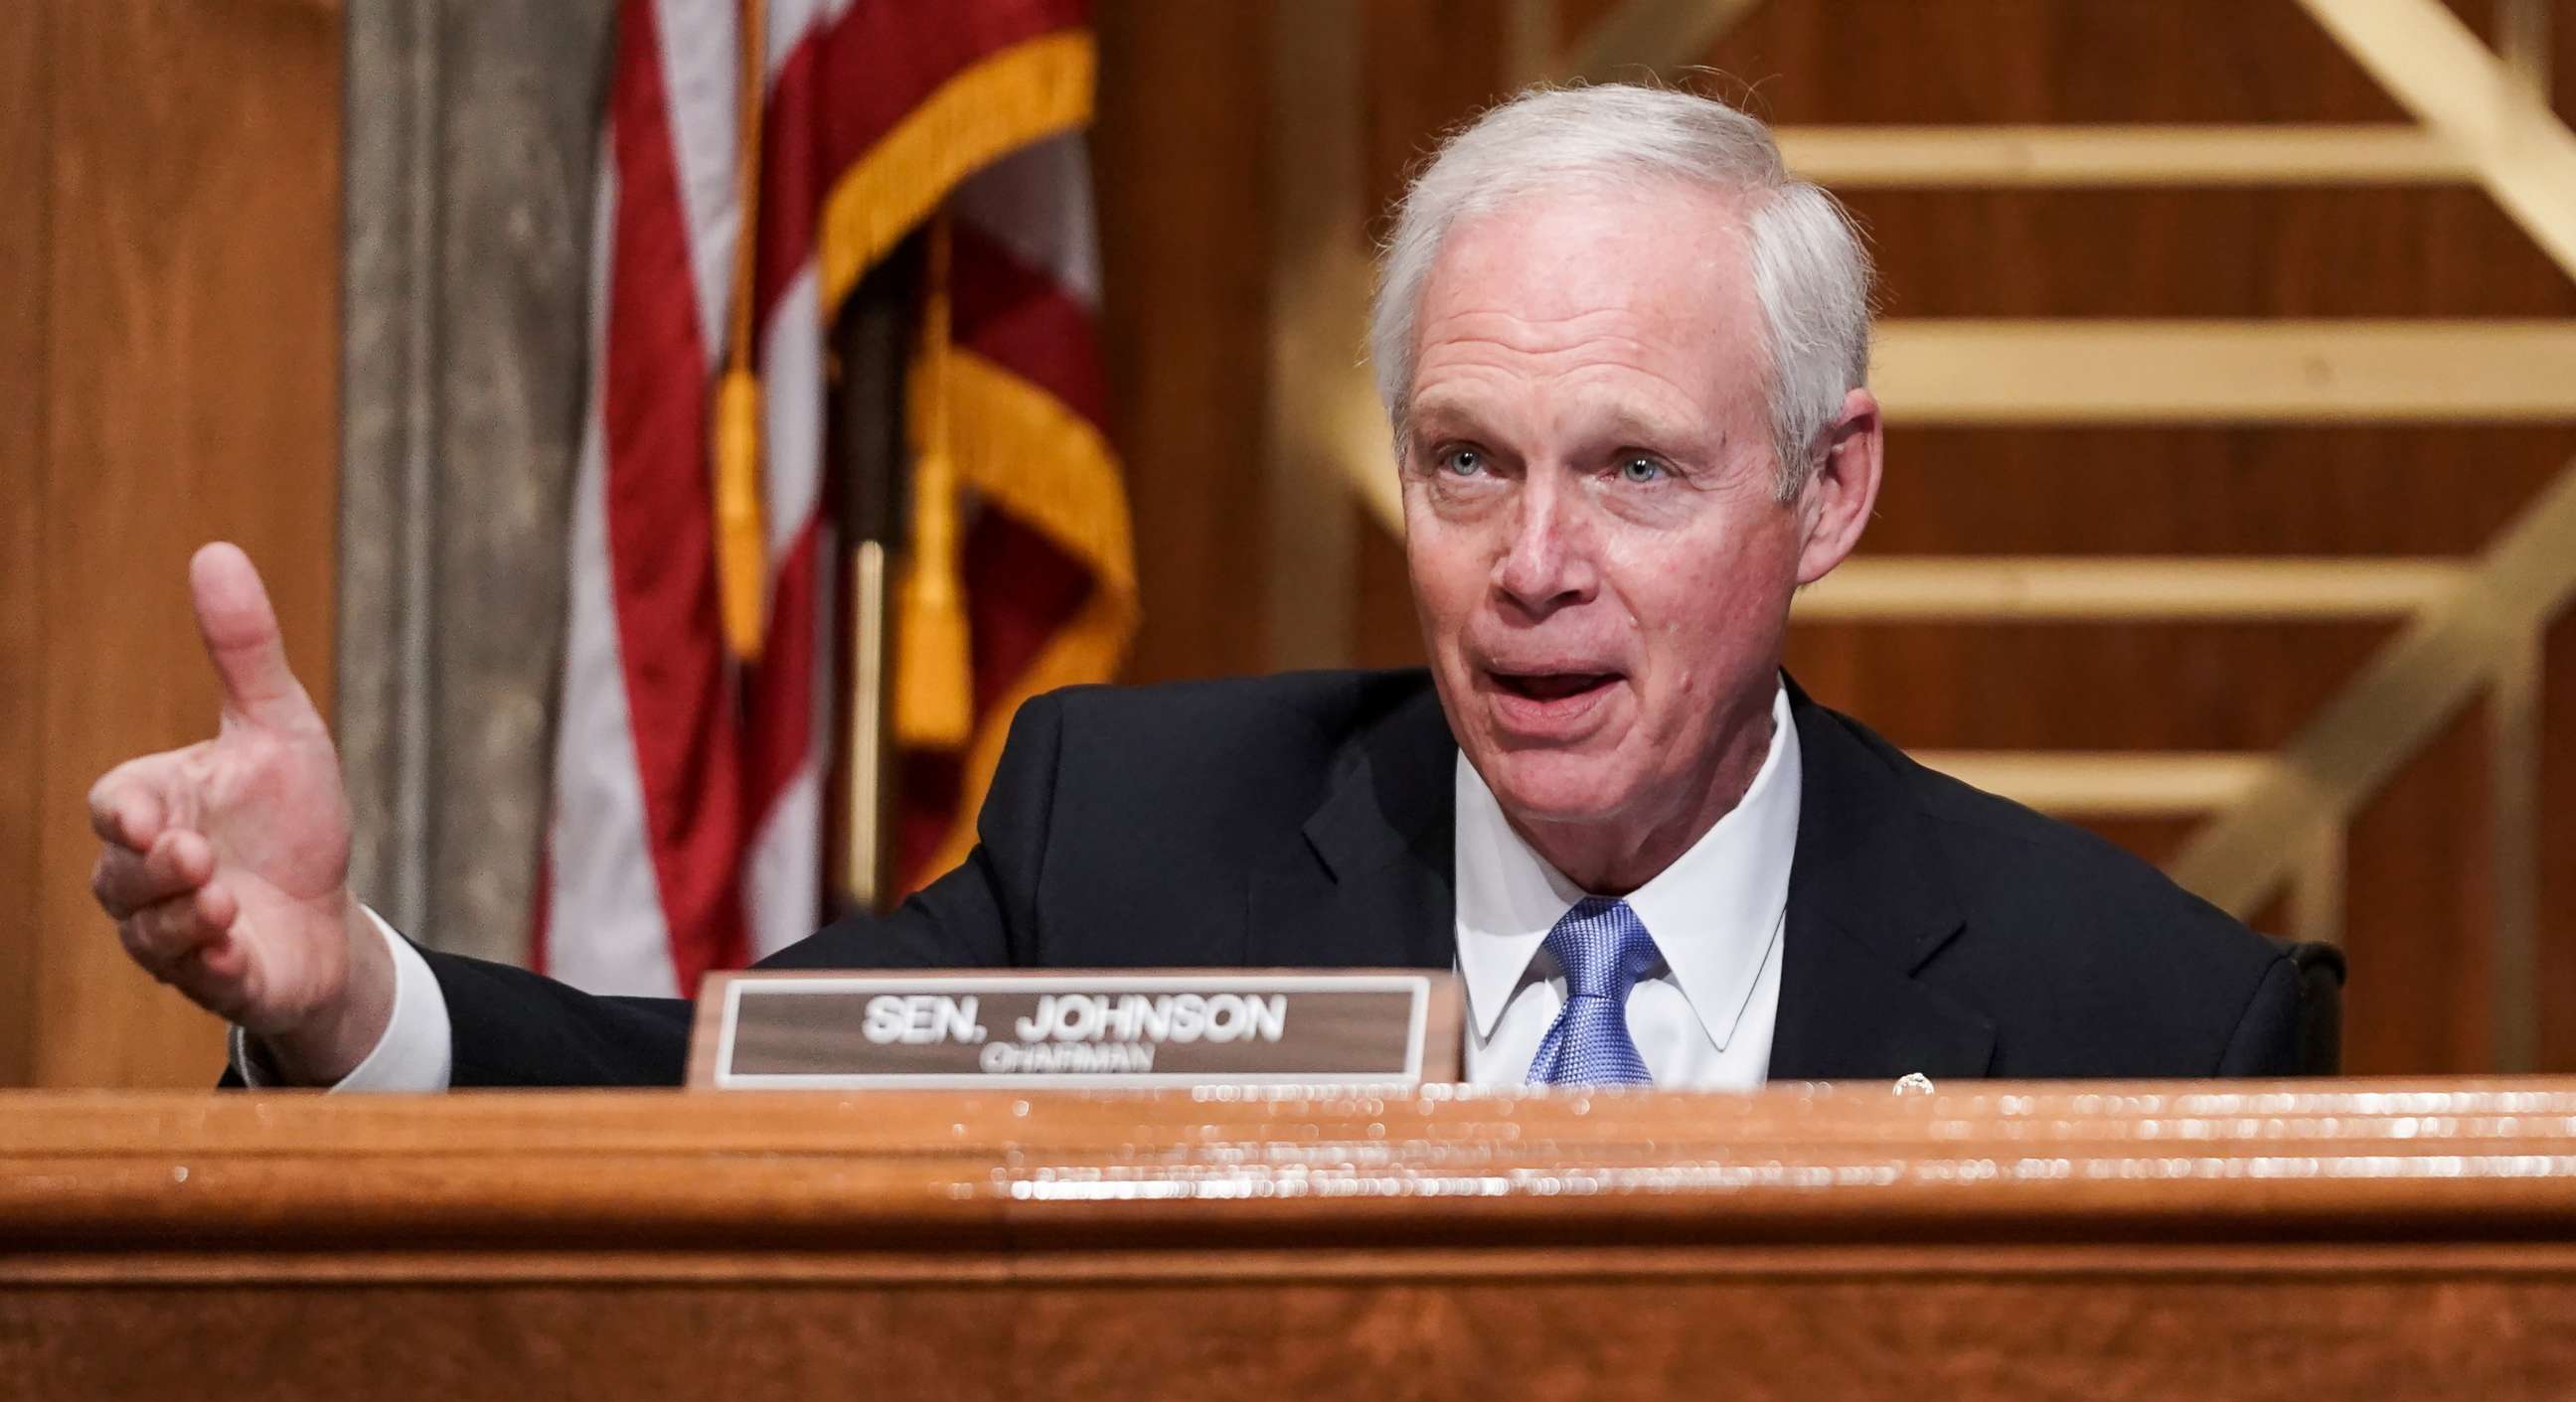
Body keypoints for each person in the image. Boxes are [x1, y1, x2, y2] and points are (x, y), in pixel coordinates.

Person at [85, 83, 2302, 1090]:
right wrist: (345, 995)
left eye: (1634, 471)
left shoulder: (2146, 1022)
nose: (1534, 568)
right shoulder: (1136, 841)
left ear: (1826, 495)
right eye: (1464, 463)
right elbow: (732, 1099)